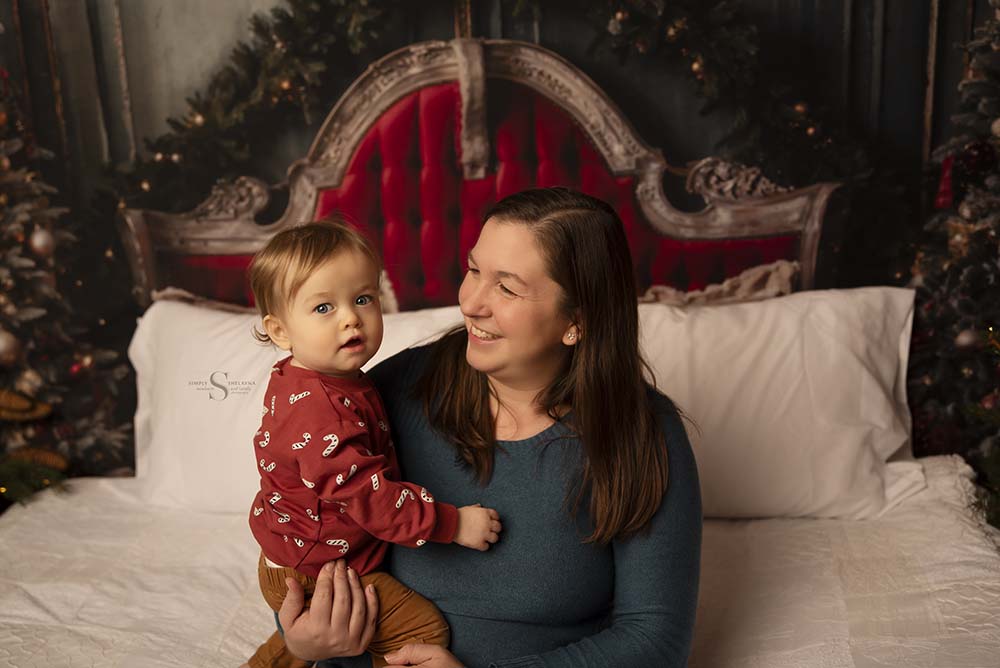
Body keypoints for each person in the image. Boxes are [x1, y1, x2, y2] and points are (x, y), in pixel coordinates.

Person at [277, 187, 703, 667]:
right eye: (474, 270)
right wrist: (300, 639)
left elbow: (655, 641)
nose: (471, 303)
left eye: (507, 287)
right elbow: (303, 527)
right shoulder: (394, 389)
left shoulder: (642, 435)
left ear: (576, 321)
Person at [241, 220, 503, 668]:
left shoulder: (314, 377)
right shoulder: (320, 410)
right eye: (323, 308)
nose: (350, 317)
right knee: (424, 632)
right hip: (315, 570)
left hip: (294, 552)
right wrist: (452, 524)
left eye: (363, 298)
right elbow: (371, 499)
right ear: (280, 331)